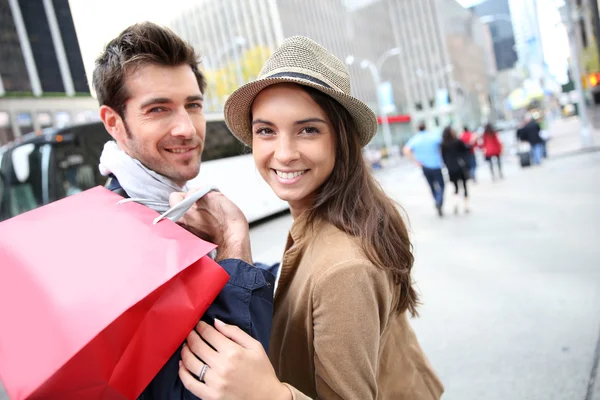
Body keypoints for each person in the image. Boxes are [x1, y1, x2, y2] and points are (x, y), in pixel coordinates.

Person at [175, 36, 443, 400]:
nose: (283, 154)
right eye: (266, 130)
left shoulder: (344, 268)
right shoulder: (340, 216)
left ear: (340, 139)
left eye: (308, 130)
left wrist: (267, 395)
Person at [92, 22, 275, 400]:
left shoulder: (171, 207)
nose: (186, 129)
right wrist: (232, 238)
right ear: (114, 123)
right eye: (158, 109)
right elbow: (203, 388)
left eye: (193, 105)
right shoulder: (116, 242)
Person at [403, 122, 445, 217]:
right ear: (426, 127)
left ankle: (436, 200)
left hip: (424, 166)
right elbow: (443, 143)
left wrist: (415, 161)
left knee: (431, 186)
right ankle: (439, 200)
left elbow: (406, 150)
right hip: (436, 165)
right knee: (441, 185)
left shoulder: (415, 139)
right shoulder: (433, 136)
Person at [442, 126, 471, 214]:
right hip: (460, 166)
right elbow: (466, 150)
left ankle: (455, 204)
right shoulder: (457, 141)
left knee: (456, 187)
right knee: (464, 186)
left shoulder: (443, 144)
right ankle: (466, 206)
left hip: (451, 168)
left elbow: (443, 158)